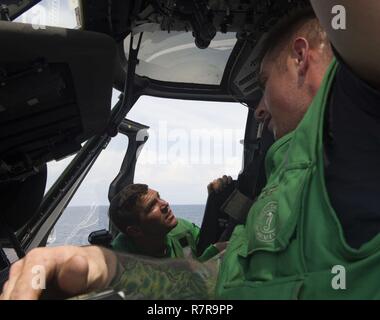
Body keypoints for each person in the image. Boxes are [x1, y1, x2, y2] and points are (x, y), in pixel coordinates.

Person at [2, 0, 380, 300]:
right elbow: (214, 284)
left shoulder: (353, 122)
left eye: (263, 83)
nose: (260, 108)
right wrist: (102, 268)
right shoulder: (282, 166)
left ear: (301, 57)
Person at [109, 183, 228, 261]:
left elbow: (209, 241)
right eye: (151, 206)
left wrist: (216, 200)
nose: (165, 204)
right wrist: (213, 252)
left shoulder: (182, 230)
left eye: (159, 197)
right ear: (135, 230)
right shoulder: (120, 262)